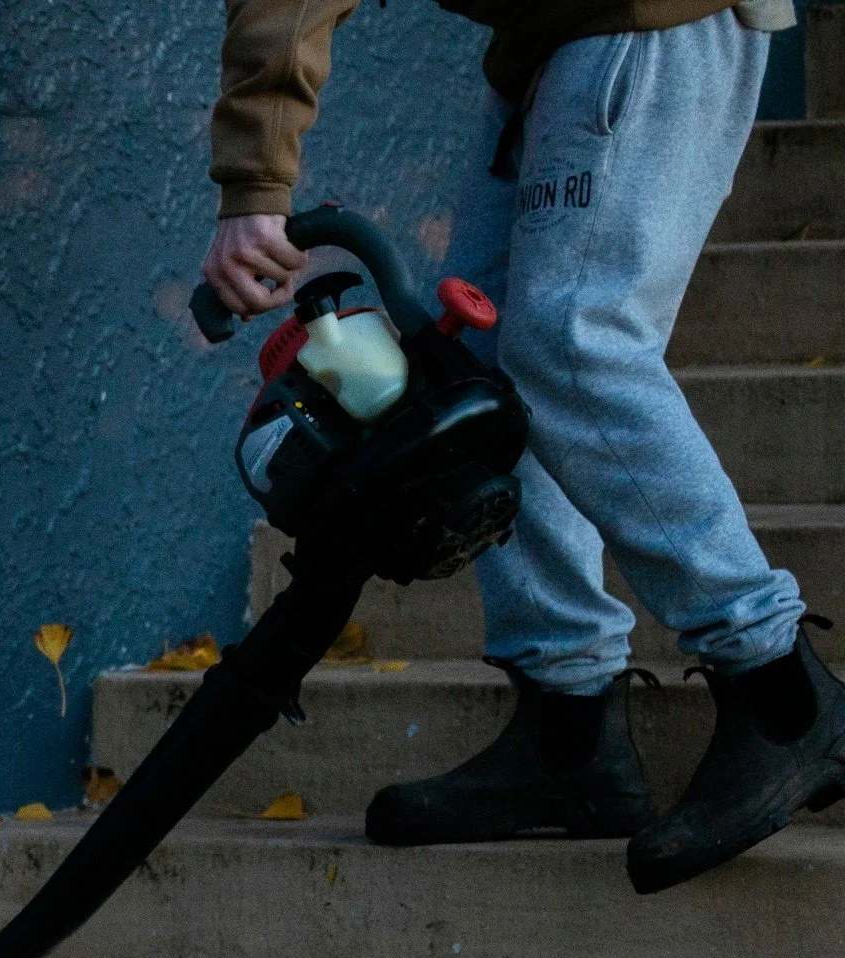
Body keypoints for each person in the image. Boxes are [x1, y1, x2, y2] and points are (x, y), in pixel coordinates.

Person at [202, 0, 845, 894]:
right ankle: (569, 729)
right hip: (556, 39)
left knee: (571, 340)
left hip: (641, 17)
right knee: (481, 366)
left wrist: (255, 183)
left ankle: (781, 694)